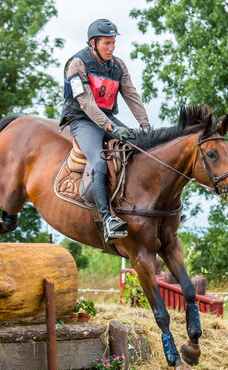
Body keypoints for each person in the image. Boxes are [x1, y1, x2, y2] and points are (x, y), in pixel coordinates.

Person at [60, 18, 151, 243]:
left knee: (142, 147)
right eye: (106, 44)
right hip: (81, 119)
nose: (111, 48)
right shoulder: (76, 64)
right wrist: (111, 127)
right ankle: (107, 219)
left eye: (113, 43)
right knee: (99, 162)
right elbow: (86, 102)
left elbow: (131, 94)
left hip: (107, 118)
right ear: (93, 43)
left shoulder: (118, 65)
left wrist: (144, 124)